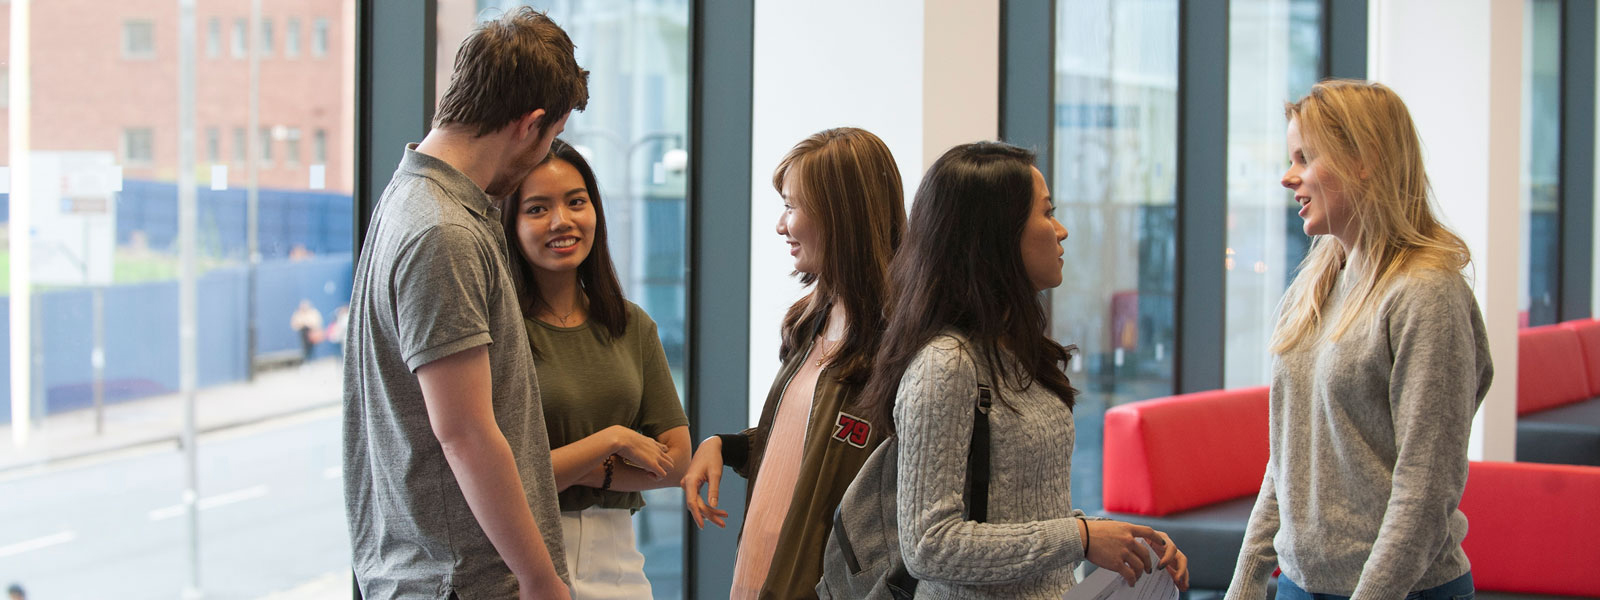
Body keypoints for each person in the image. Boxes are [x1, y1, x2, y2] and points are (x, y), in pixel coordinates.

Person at [857, 142, 1188, 599]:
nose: (1062, 230)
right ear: (996, 234)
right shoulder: (946, 364)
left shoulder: (1013, 350)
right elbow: (928, 545)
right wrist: (1081, 537)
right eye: (1047, 213)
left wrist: (1108, 537)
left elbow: (1018, 512)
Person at [341, 8, 589, 599]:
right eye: (551, 138)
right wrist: (539, 578)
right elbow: (466, 433)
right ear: (530, 124)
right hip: (461, 582)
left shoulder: (412, 199)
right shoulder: (442, 231)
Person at [1224, 80, 1493, 600]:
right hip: (1303, 585)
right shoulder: (1317, 281)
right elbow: (1288, 460)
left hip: (1402, 589)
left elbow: (1426, 487)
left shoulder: (1426, 292)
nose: (1288, 176)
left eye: (1305, 157)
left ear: (1364, 159)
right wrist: (1245, 585)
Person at [680, 127, 906, 599]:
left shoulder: (900, 343)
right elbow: (805, 444)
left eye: (791, 206)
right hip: (763, 568)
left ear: (841, 215)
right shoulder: (812, 319)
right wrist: (727, 446)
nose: (781, 225)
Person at [497, 139, 690, 599]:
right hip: (522, 563)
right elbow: (500, 482)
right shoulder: (500, 333)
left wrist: (565, 467)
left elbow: (676, 462)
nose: (562, 221)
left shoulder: (630, 324)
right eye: (538, 208)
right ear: (511, 224)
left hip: (619, 558)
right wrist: (614, 441)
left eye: (576, 202)